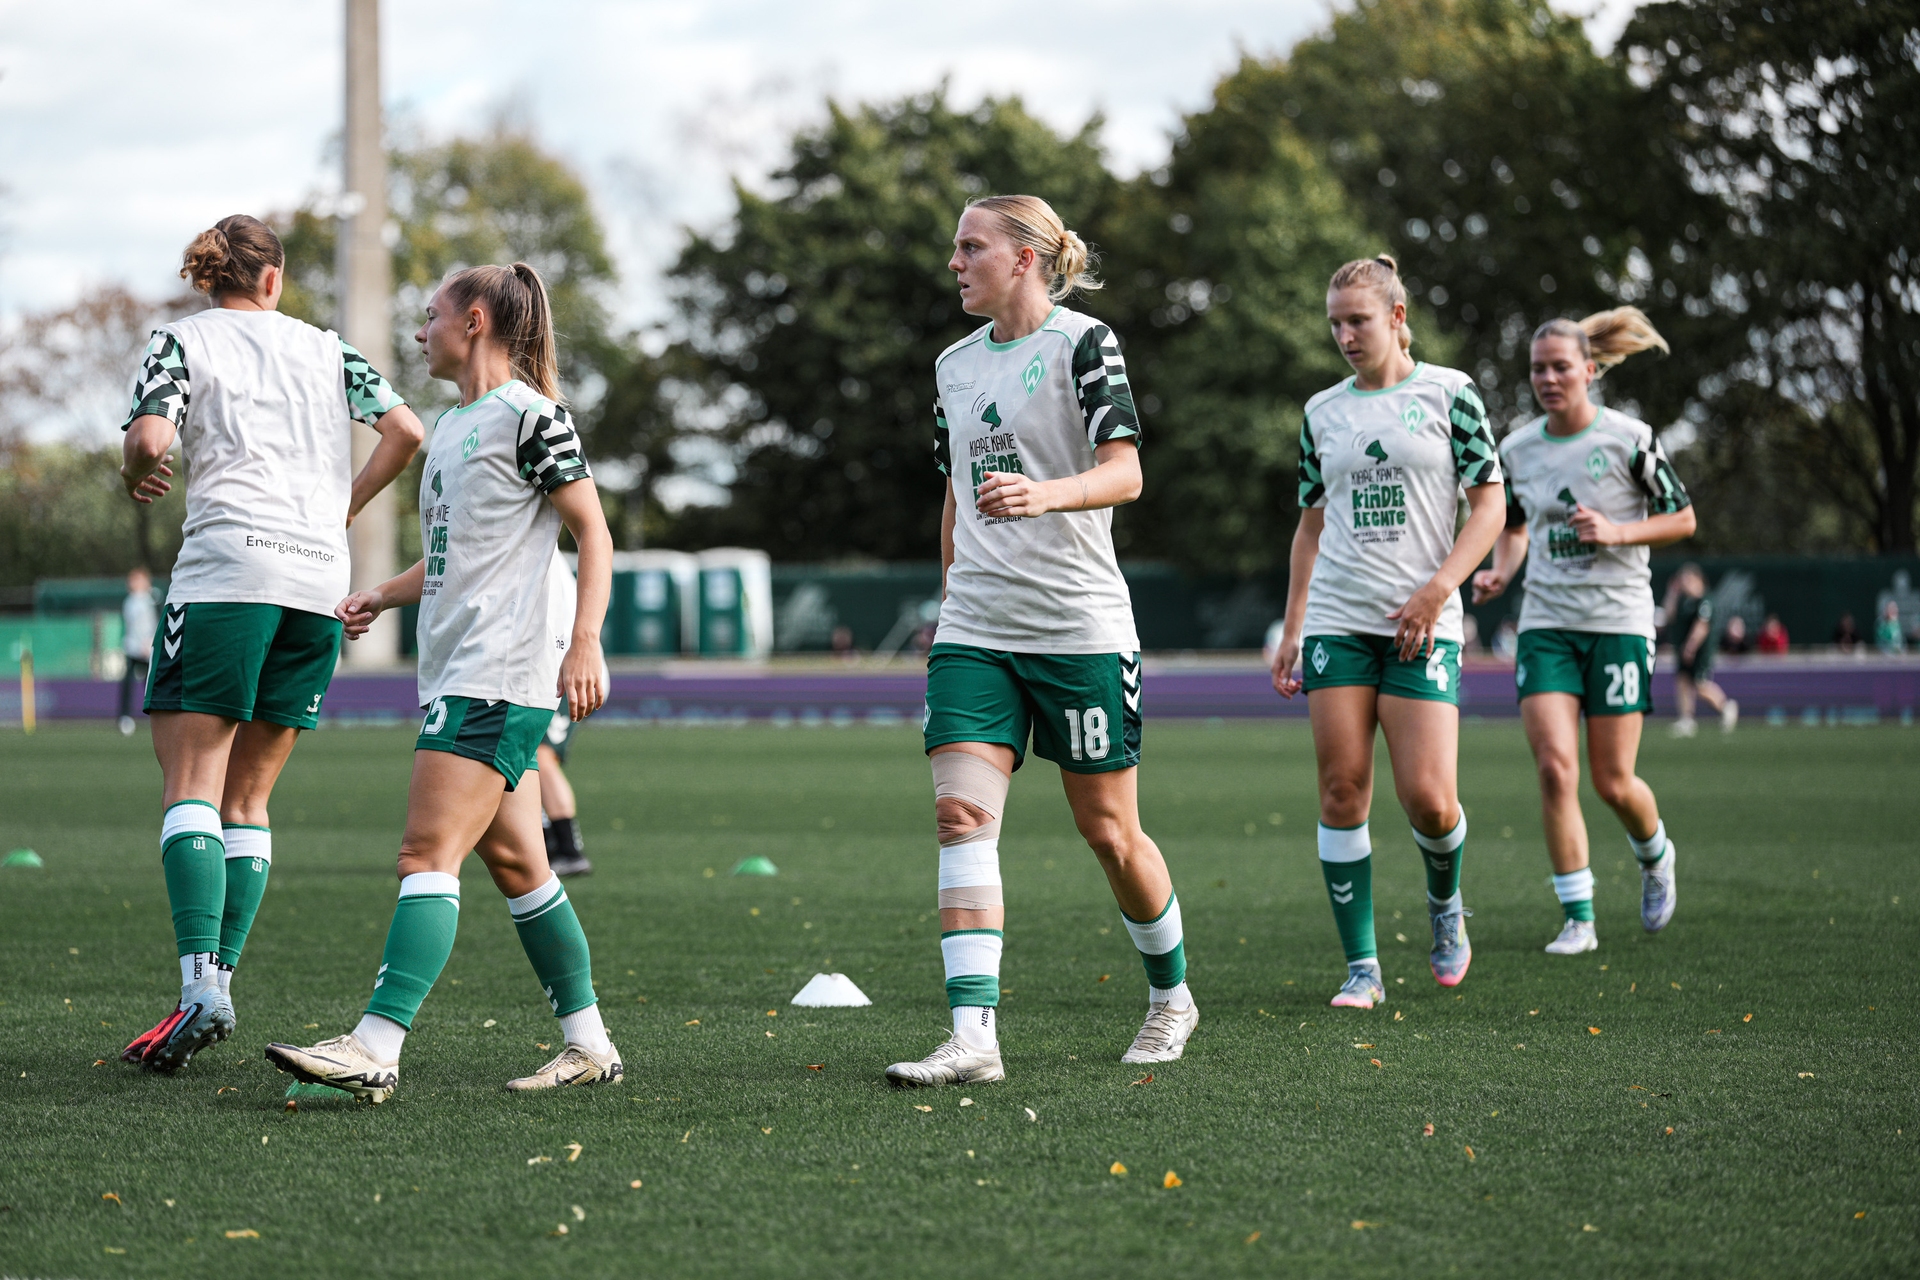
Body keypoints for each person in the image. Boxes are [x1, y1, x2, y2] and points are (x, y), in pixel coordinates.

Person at [265, 263, 620, 1102]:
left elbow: (594, 534)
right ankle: (590, 1043)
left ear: (475, 321)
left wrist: (586, 643)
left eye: (429, 316)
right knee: (519, 865)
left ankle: (375, 1045)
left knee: (425, 853)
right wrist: (383, 595)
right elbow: (457, 555)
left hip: (500, 672)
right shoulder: (454, 424)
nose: (419, 330)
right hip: (463, 667)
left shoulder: (534, 417)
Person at [885, 194, 1197, 1088]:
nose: (955, 263)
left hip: (1078, 628)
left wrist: (1043, 493)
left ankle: (1172, 996)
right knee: (959, 817)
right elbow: (953, 495)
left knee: (1109, 831)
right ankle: (973, 1036)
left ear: (1025, 258)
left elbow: (1128, 473)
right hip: (978, 631)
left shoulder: (1084, 344)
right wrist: (950, 606)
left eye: (970, 247)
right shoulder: (951, 366)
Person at [116, 215, 423, 1072]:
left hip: (226, 574)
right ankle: (218, 974)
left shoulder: (181, 341)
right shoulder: (327, 349)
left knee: (191, 785)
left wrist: (135, 470)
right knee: (249, 800)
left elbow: (150, 438)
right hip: (317, 581)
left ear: (208, 278)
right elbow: (406, 430)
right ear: (275, 280)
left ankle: (197, 988)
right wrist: (342, 510)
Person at [1269, 254, 1506, 1010]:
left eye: (1358, 321)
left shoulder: (1452, 395)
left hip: (1424, 624)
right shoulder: (1321, 412)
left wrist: (1440, 589)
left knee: (1431, 801)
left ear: (1397, 318)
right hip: (1339, 619)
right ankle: (1362, 967)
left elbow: (1491, 507)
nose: (1344, 335)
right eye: (1335, 323)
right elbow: (1309, 528)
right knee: (1343, 791)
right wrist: (1294, 625)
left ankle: (1445, 905)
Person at [1471, 307, 1695, 954]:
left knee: (1612, 780)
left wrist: (1620, 531)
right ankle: (1579, 917)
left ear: (1589, 371)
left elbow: (1682, 518)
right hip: (1546, 625)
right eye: (1538, 368)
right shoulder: (1516, 448)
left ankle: (1655, 856)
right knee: (1553, 769)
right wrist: (1500, 572)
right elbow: (1512, 526)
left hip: (1619, 623)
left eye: (1560, 366)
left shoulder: (1629, 438)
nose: (1547, 378)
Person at [1664, 564, 1737, 735]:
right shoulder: (1683, 600)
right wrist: (1672, 592)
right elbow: (1669, 614)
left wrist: (1691, 646)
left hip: (1700, 650)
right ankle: (1686, 719)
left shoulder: (1706, 600)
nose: (1685, 584)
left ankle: (1725, 706)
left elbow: (1701, 626)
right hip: (1682, 648)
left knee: (1700, 683)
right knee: (1682, 680)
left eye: (1688, 580)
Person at [539, 711, 591, 878]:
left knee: (540, 755)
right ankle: (546, 846)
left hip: (558, 687)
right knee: (520, 755)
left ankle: (568, 850)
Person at [118, 567, 157, 736]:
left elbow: (151, 622)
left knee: (151, 684)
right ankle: (125, 717)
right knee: (128, 683)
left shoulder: (150, 599)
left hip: (147, 648)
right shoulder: (130, 601)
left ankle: (156, 714)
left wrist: (149, 641)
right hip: (132, 648)